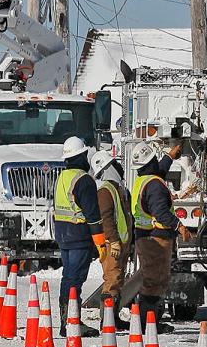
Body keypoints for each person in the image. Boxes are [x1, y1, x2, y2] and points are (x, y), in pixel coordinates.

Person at [131, 138, 190, 331]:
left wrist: (170, 157)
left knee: (152, 279)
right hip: (155, 238)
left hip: (144, 236)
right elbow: (162, 213)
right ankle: (148, 325)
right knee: (154, 281)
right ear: (151, 162)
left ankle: (148, 322)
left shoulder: (145, 180)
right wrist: (179, 227)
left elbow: (158, 171)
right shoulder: (155, 185)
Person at [52, 135, 104, 336]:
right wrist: (100, 243)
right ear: (82, 155)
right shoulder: (84, 180)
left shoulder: (62, 178)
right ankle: (71, 322)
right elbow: (93, 215)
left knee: (68, 278)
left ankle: (67, 320)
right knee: (75, 280)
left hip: (64, 236)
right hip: (79, 236)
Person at [88, 148, 133, 325]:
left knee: (117, 279)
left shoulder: (116, 189)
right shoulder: (105, 191)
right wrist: (113, 241)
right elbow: (106, 218)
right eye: (114, 164)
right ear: (107, 168)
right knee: (112, 280)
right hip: (112, 244)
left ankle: (113, 317)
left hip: (119, 243)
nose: (119, 167)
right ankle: (106, 320)